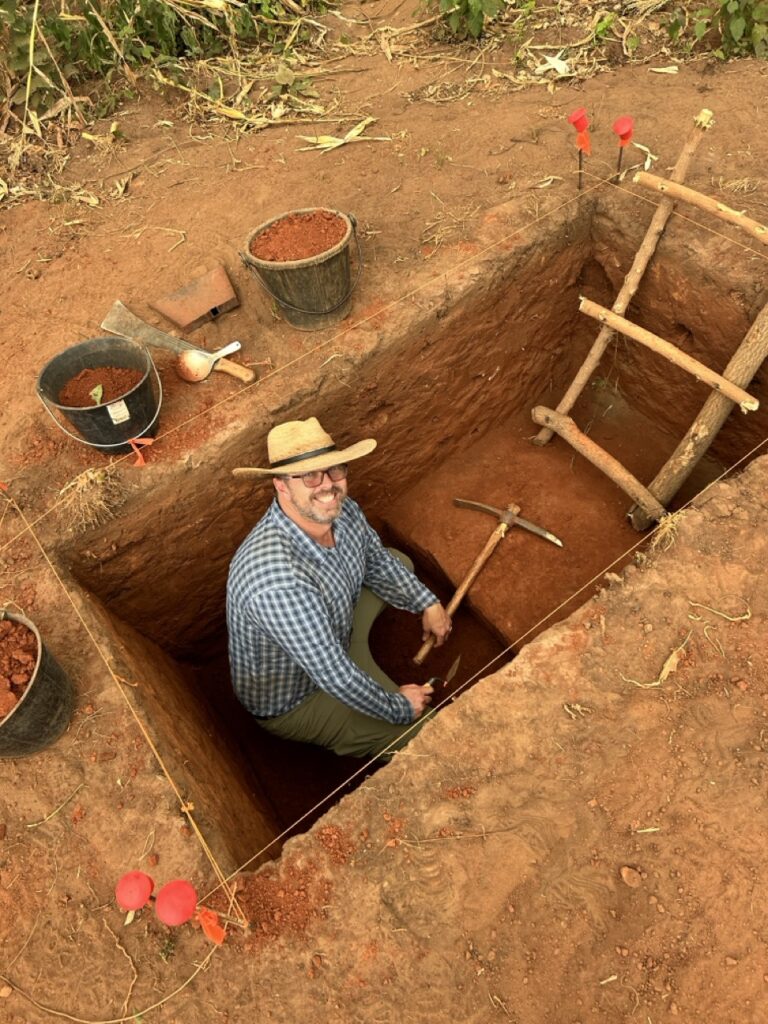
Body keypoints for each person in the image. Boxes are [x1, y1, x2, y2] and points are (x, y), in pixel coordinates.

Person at [227, 416, 451, 760]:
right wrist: (400, 707)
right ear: (281, 485)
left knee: (398, 561)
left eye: (334, 469)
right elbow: (334, 675)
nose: (328, 486)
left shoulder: (338, 509)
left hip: (334, 633)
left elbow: (375, 558)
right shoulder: (276, 582)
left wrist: (427, 603)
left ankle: (363, 652)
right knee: (429, 737)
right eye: (310, 476)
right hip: (302, 695)